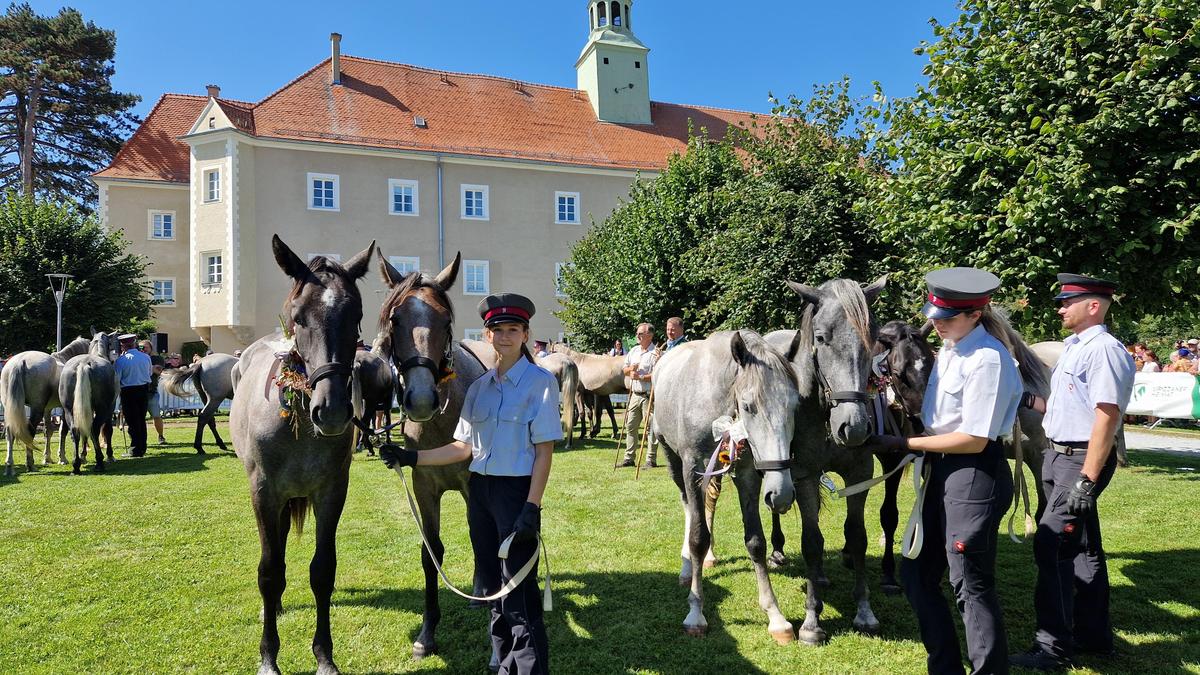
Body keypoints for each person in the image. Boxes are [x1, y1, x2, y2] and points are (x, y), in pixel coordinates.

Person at [380, 293, 561, 674]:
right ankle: (502, 663)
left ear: (526, 334)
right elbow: (463, 447)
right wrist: (411, 457)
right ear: (487, 334)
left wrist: (532, 506)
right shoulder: (479, 388)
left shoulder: (540, 384)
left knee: (519, 598)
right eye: (498, 330)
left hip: (515, 495)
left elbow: (544, 452)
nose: (505, 336)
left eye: (513, 329)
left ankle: (527, 669)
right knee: (494, 589)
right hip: (480, 493)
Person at [870, 267, 1021, 675]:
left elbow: (973, 437)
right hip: (943, 470)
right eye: (935, 314)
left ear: (976, 314)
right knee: (917, 575)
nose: (936, 323)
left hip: (973, 473)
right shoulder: (951, 351)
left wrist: (901, 444)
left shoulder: (988, 359)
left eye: (947, 317)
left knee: (970, 585)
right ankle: (946, 666)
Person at [1009, 274, 1135, 671]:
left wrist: (1087, 477)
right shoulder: (1076, 348)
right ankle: (1093, 636)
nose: (1060, 308)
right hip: (1059, 455)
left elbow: (1105, 417)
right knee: (1082, 549)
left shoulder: (1104, 351)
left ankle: (1053, 648)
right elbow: (1068, 407)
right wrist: (1025, 397)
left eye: (1068, 302)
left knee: (1051, 546)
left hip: (1079, 460)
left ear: (1093, 306)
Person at [619, 323, 658, 469]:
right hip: (635, 394)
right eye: (637, 333)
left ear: (650, 335)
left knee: (650, 427)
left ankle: (650, 459)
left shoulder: (656, 352)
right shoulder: (634, 350)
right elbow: (624, 369)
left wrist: (640, 377)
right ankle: (629, 458)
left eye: (641, 334)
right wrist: (631, 370)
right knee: (630, 426)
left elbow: (657, 374)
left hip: (649, 395)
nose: (638, 336)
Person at [114, 334, 153, 457]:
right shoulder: (146, 357)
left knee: (132, 420)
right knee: (141, 419)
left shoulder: (121, 361)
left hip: (128, 391)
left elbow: (117, 379)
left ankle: (135, 449)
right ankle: (142, 447)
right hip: (143, 389)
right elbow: (150, 373)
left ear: (123, 345)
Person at [139, 340, 167, 445]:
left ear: (151, 348)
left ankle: (161, 436)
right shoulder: (137, 359)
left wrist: (145, 368)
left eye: (145, 347)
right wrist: (151, 368)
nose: (144, 349)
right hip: (138, 393)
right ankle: (141, 440)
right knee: (139, 418)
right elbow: (152, 370)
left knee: (156, 416)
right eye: (141, 347)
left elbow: (158, 371)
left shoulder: (157, 359)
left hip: (151, 392)